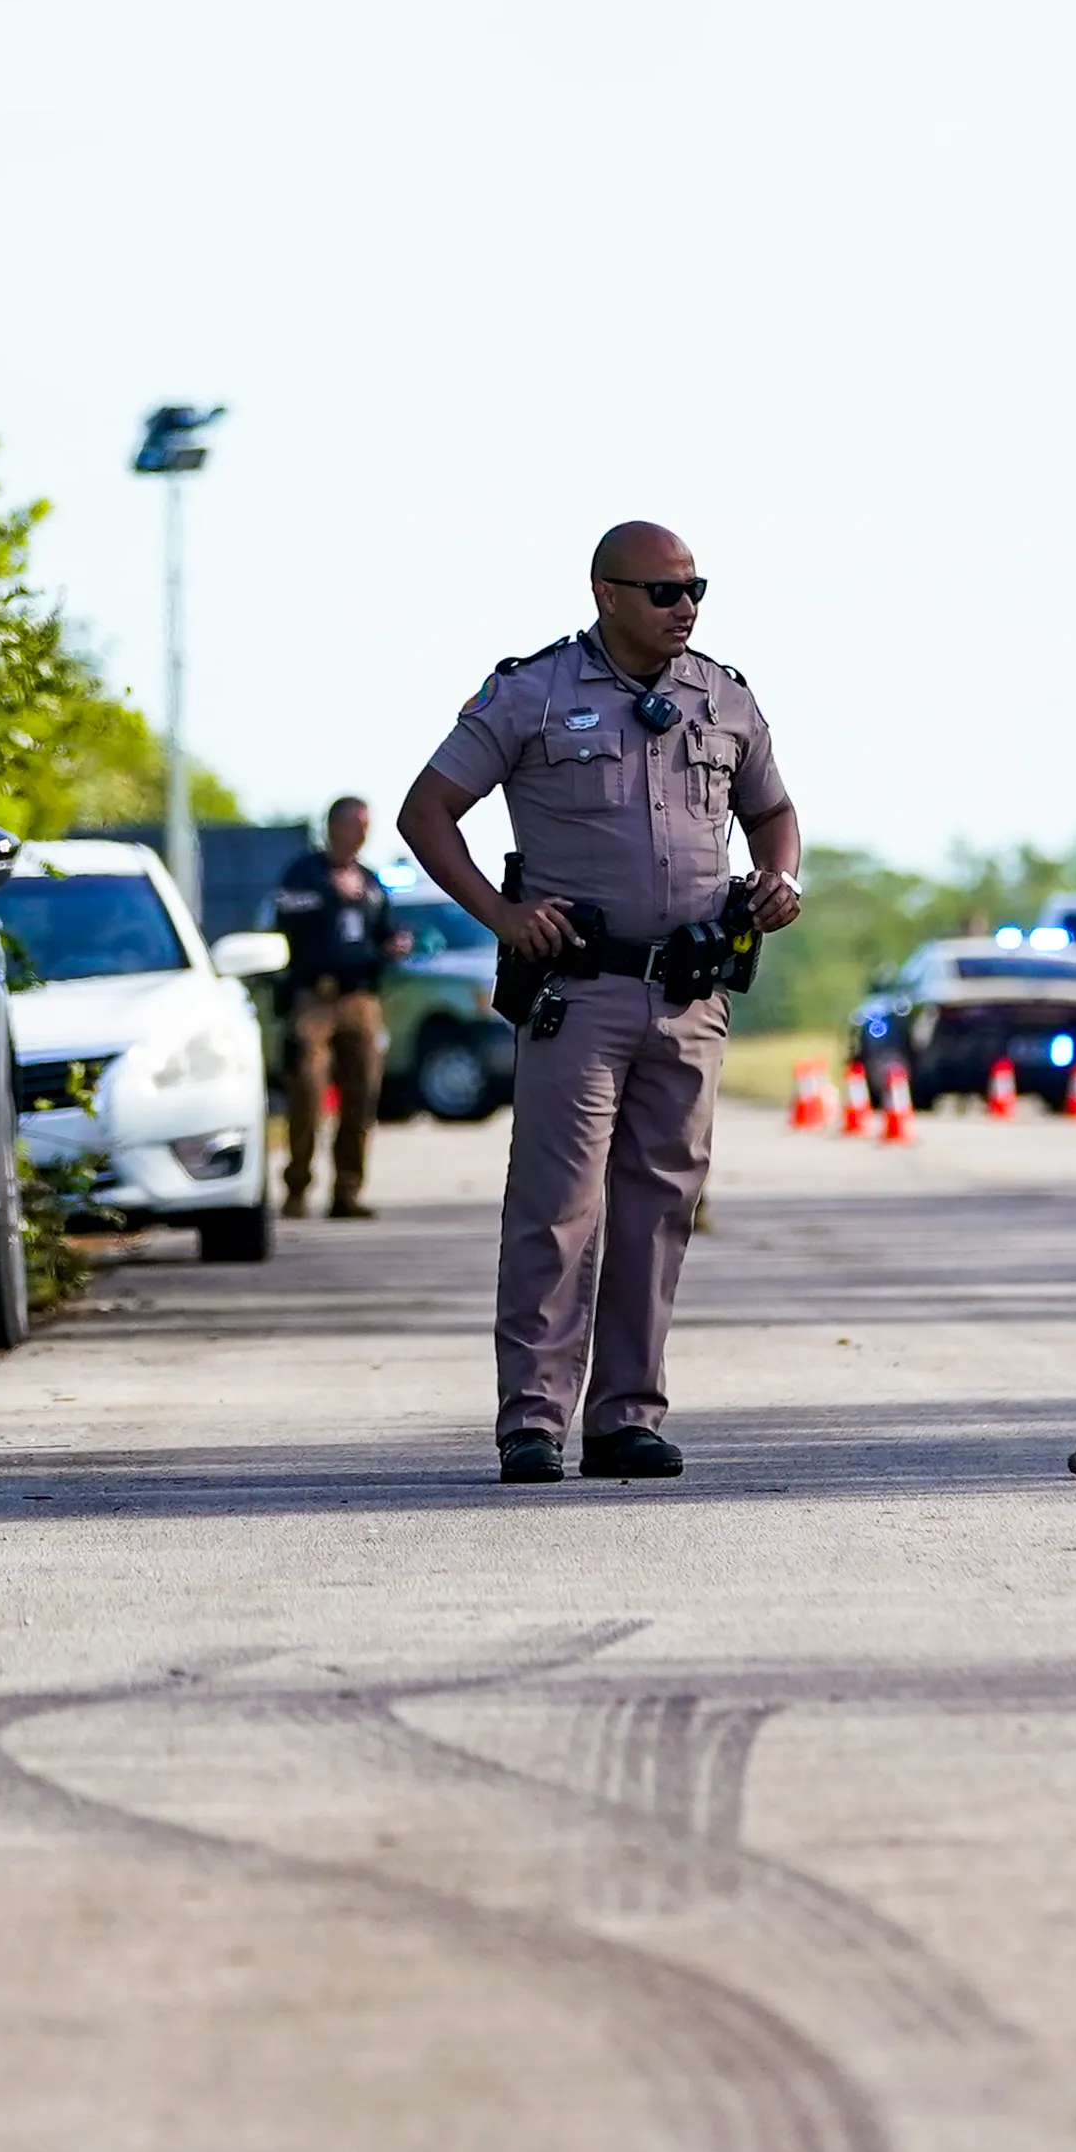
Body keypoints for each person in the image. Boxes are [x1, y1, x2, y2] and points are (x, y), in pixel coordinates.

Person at [393, 520, 803, 1484]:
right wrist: (500, 914)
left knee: (659, 1208)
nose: (685, 606)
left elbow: (773, 810)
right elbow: (427, 809)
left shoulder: (724, 694)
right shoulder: (534, 692)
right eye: (664, 591)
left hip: (691, 993)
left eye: (697, 588)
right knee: (557, 1208)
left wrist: (782, 876)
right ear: (606, 594)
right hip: (580, 992)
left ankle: (627, 1415)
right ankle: (533, 1420)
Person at [270, 794, 403, 1222]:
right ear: (334, 826)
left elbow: (384, 929)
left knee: (363, 1092)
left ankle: (347, 1189)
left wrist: (394, 944)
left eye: (367, 825)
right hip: (315, 996)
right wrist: (332, 895)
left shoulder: (370, 881)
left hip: (360, 996)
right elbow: (286, 917)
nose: (362, 833)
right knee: (307, 1088)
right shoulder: (304, 873)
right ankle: (297, 1185)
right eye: (355, 824)